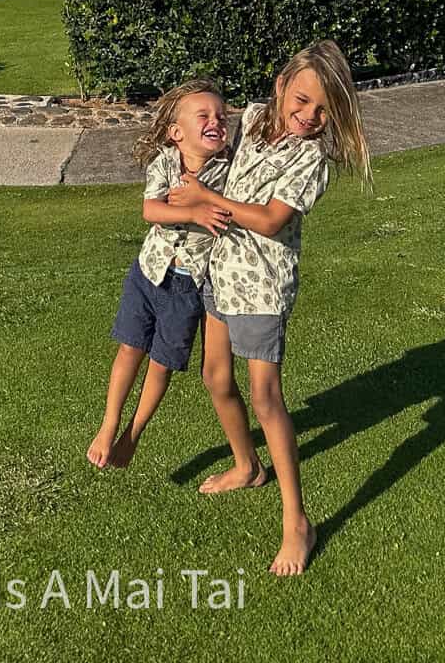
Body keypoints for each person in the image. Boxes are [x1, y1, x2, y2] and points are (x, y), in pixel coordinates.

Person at [169, 39, 371, 576]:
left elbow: (269, 220)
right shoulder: (255, 118)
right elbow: (218, 164)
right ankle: (245, 466)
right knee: (215, 377)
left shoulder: (312, 161)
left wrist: (205, 202)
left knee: (266, 399)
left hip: (261, 287)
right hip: (221, 271)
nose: (309, 116)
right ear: (281, 86)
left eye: (323, 109)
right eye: (301, 100)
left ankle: (296, 521)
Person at [87, 79, 233, 469]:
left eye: (221, 115)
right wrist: (194, 211)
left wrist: (207, 199)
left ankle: (132, 434)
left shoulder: (229, 172)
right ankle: (108, 424)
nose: (215, 121)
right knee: (130, 347)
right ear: (176, 132)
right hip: (149, 273)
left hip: (188, 287)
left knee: (161, 363)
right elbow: (151, 210)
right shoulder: (165, 163)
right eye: (203, 115)